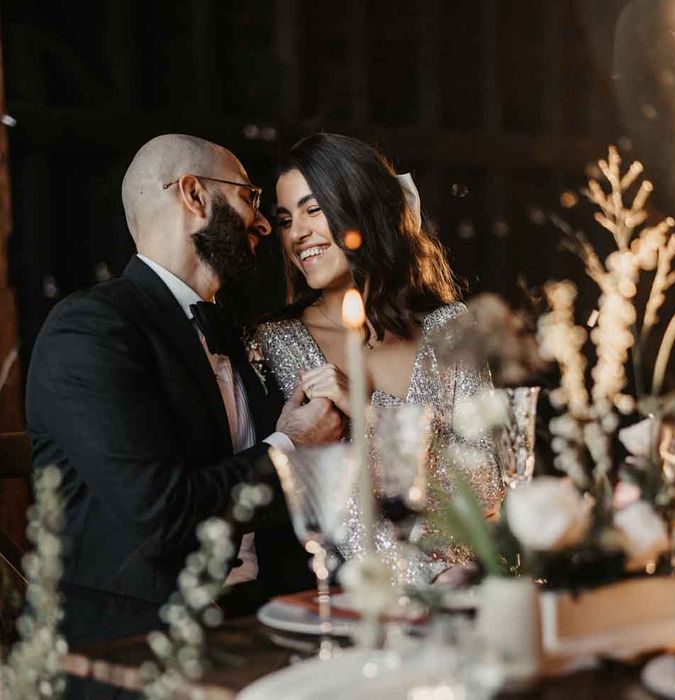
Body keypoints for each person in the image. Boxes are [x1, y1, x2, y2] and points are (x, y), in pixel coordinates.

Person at [25, 134, 343, 660]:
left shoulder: (234, 333)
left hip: (261, 616)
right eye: (249, 198)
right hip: (133, 643)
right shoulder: (91, 330)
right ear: (195, 197)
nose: (263, 224)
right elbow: (162, 516)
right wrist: (291, 443)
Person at [249, 133, 503, 580]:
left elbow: (485, 490)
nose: (297, 234)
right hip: (361, 603)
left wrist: (366, 416)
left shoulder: (449, 328)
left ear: (362, 209)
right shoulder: (279, 342)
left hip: (476, 591)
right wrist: (429, 584)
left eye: (313, 209)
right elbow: (335, 510)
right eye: (286, 219)